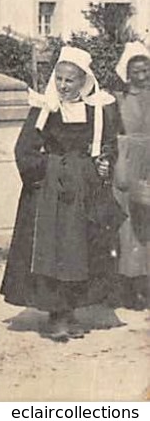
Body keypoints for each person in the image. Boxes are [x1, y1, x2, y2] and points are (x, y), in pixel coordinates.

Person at [1, 45, 123, 341]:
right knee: (54, 253)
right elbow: (24, 151)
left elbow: (109, 145)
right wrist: (54, 170)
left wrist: (106, 163)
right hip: (51, 196)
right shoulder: (45, 109)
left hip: (85, 193)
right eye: (59, 79)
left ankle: (70, 311)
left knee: (82, 251)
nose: (63, 86)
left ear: (84, 81)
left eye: (70, 80)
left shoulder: (99, 110)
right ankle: (56, 315)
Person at [113, 40, 150, 309]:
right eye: (137, 70)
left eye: (146, 68)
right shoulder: (118, 100)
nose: (143, 74)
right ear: (127, 73)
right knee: (130, 228)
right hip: (127, 165)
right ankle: (130, 285)